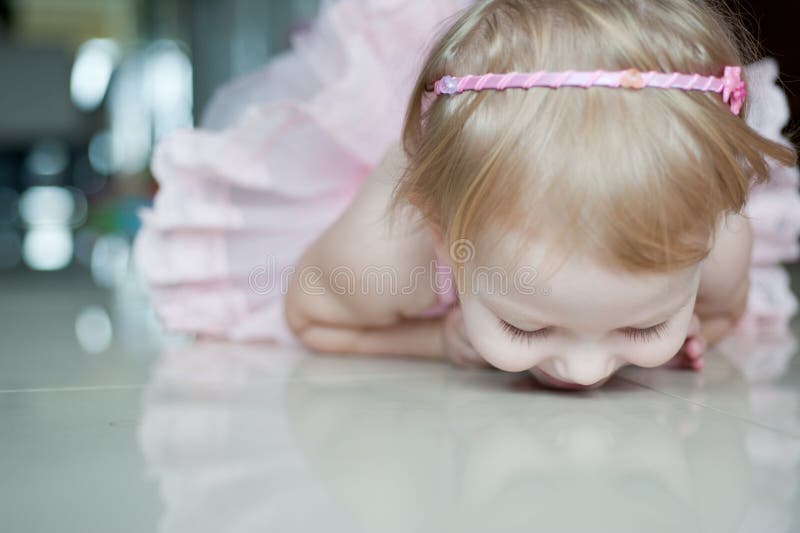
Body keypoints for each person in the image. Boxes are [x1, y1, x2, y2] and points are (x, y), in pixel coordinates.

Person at [134, 0, 800, 390]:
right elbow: (312, 318)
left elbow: (717, 313)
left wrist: (685, 338)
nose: (587, 369)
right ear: (439, 223)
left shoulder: (717, 237)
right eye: (526, 324)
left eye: (643, 321)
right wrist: (436, 340)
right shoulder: (395, 245)